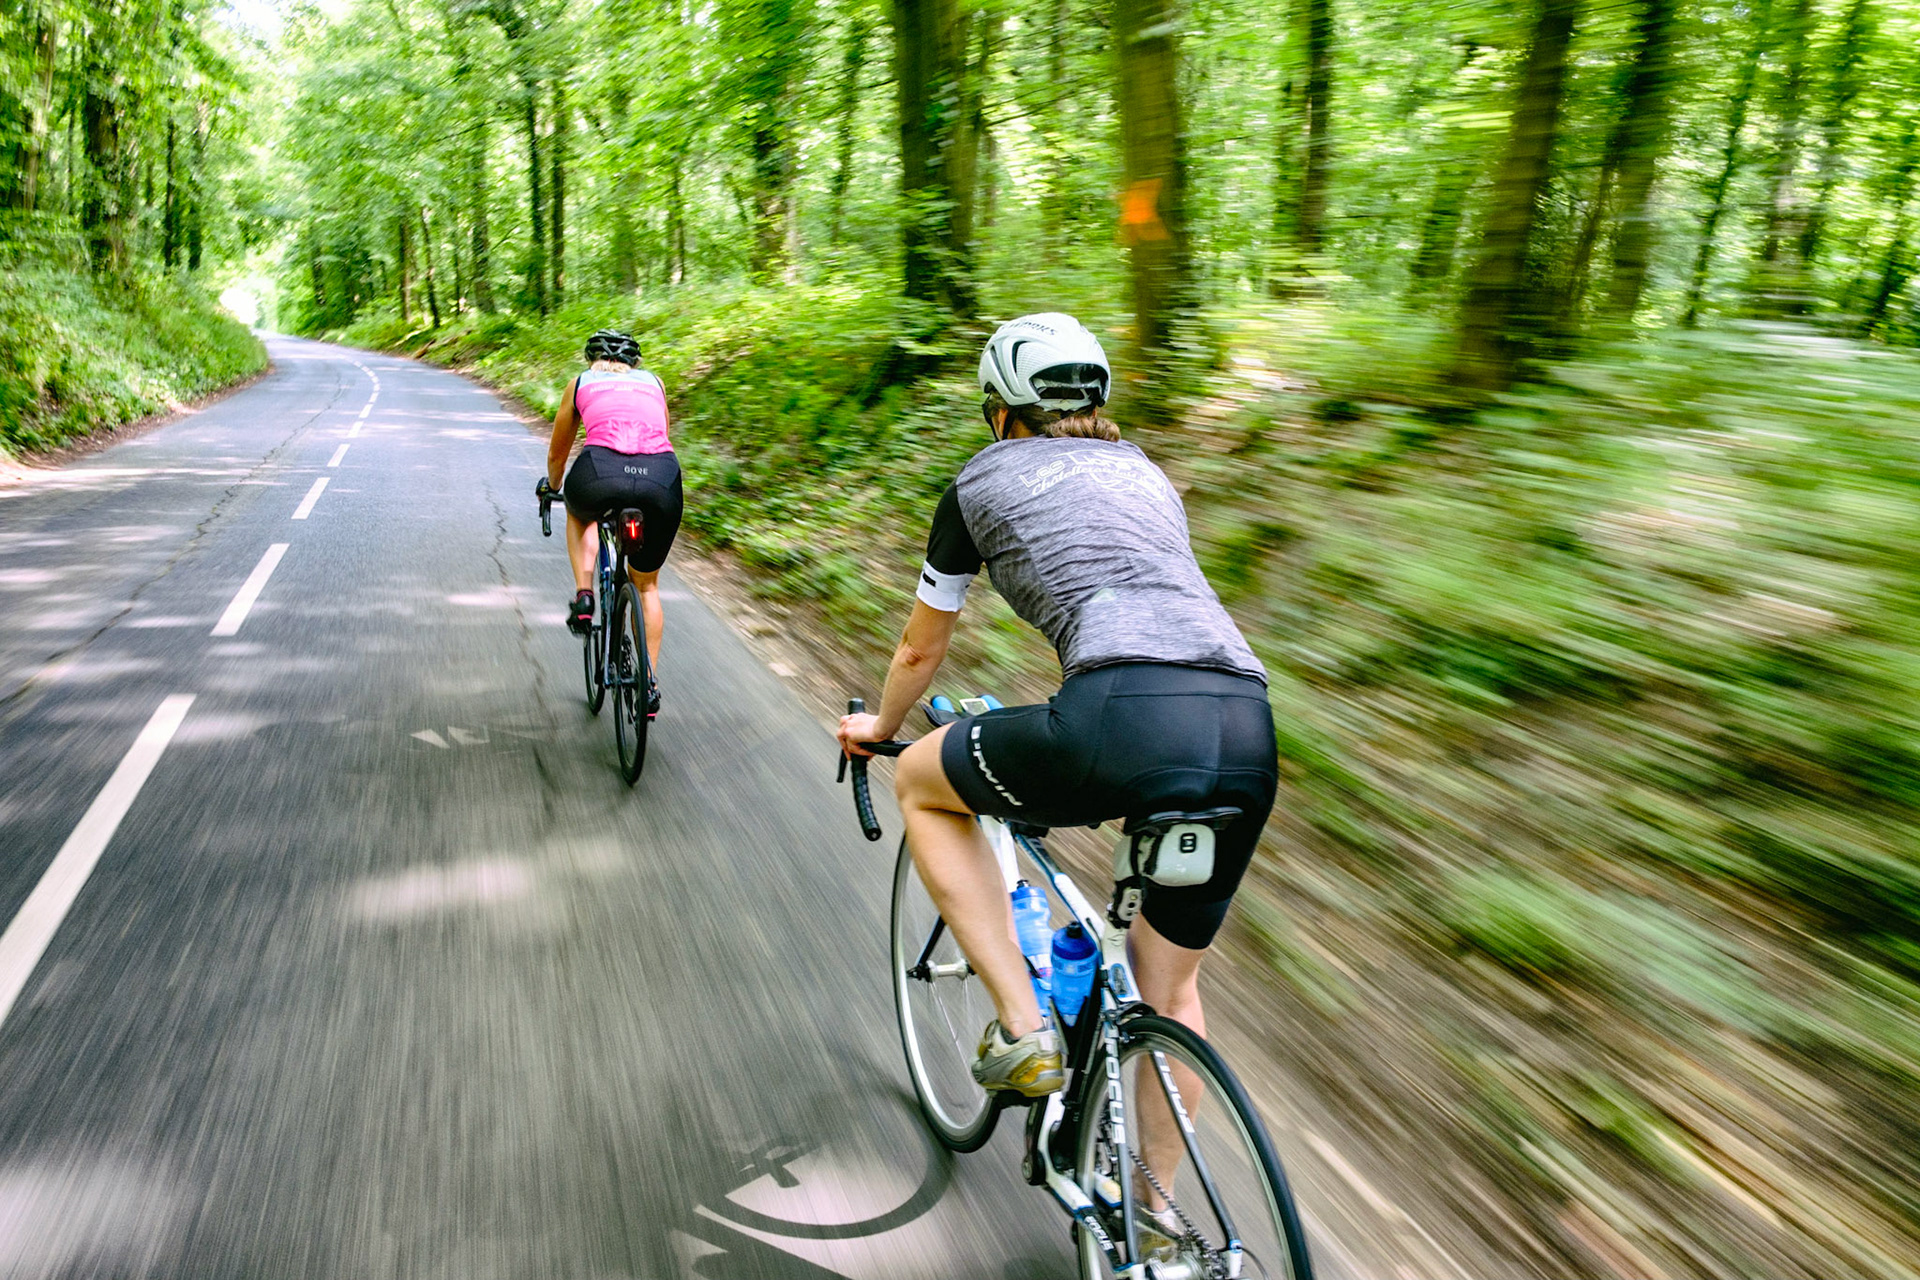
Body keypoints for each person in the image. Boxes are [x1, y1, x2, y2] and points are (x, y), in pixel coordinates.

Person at [836, 313, 1277, 1107]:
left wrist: (878, 729)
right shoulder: (1146, 473)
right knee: (1171, 997)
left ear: (1000, 412)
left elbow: (918, 652)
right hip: (1245, 720)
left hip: (1120, 715)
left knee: (924, 787)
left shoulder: (978, 483)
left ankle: (1021, 1026)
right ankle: (1159, 1220)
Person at [544, 328, 682, 713]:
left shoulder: (581, 383)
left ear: (592, 360)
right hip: (661, 479)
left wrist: (552, 487)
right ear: (634, 363)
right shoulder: (655, 383)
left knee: (579, 512)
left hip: (600, 472)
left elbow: (558, 455)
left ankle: (585, 594)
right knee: (647, 587)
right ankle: (649, 683)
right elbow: (661, 433)